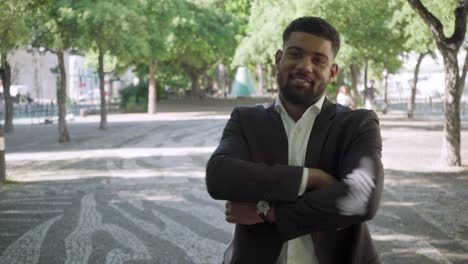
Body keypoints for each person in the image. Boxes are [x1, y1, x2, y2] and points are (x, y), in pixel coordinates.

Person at [206, 16, 383, 264]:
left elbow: (362, 198)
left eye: (318, 60)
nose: (305, 66)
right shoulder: (246, 120)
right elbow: (218, 176)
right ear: (279, 59)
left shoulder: (357, 124)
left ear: (332, 72)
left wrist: (268, 212)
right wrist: (311, 178)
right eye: (296, 54)